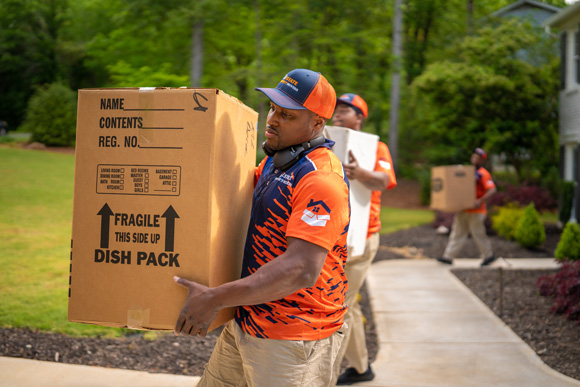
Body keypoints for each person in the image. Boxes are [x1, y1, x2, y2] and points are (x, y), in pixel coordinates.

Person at [173, 68, 351, 387]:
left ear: (317, 123)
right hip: (247, 320)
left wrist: (215, 298)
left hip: (294, 337)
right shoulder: (277, 160)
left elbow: (300, 269)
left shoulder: (321, 181)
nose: (272, 120)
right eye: (272, 108)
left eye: (287, 115)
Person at [331, 93, 397, 385]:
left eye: (345, 110)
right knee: (349, 306)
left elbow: (384, 180)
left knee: (338, 305)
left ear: (359, 117)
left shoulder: (375, 147)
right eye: (336, 110)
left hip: (364, 238)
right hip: (336, 236)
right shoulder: (329, 140)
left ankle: (324, 375)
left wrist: (359, 173)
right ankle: (361, 368)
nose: (338, 114)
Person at [436, 148, 497, 266]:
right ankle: (448, 257)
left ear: (482, 161)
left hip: (477, 210)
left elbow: (492, 190)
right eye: (474, 156)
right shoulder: (467, 172)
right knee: (457, 233)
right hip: (463, 209)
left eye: (478, 158)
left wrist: (480, 200)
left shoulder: (483, 174)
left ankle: (488, 256)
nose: (475, 159)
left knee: (478, 233)